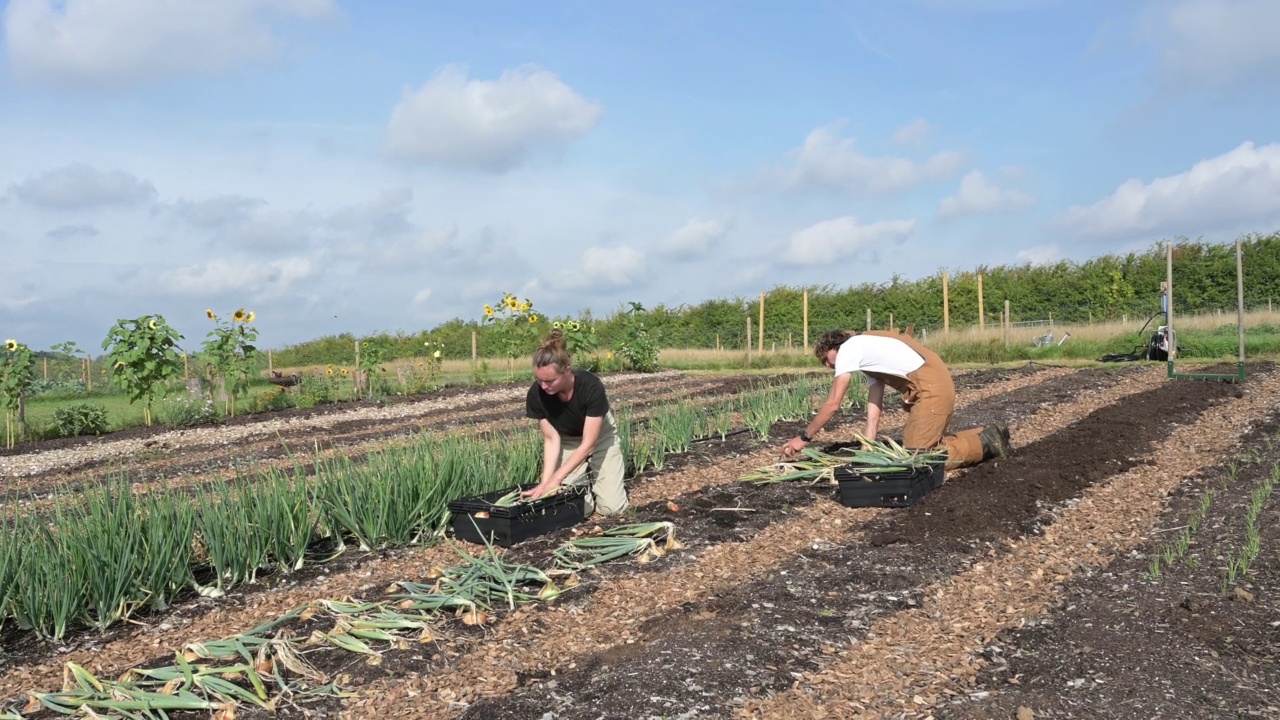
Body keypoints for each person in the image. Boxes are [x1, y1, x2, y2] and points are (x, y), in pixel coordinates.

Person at [781, 328, 1011, 470]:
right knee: (922, 445)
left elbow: (832, 405)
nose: (828, 365)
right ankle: (987, 434)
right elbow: (874, 410)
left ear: (834, 346)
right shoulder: (867, 352)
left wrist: (804, 438)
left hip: (931, 388)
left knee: (920, 458)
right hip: (932, 385)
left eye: (826, 359)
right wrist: (866, 451)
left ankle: (985, 444)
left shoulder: (850, 349)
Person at [522, 329, 630, 517]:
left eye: (550, 381)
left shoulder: (590, 387)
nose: (544, 386)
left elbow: (589, 443)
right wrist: (546, 483)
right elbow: (551, 439)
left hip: (600, 439)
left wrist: (558, 477)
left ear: (566, 371)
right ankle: (584, 484)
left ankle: (600, 480)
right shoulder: (537, 394)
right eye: (539, 380)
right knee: (577, 510)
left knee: (612, 509)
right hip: (568, 440)